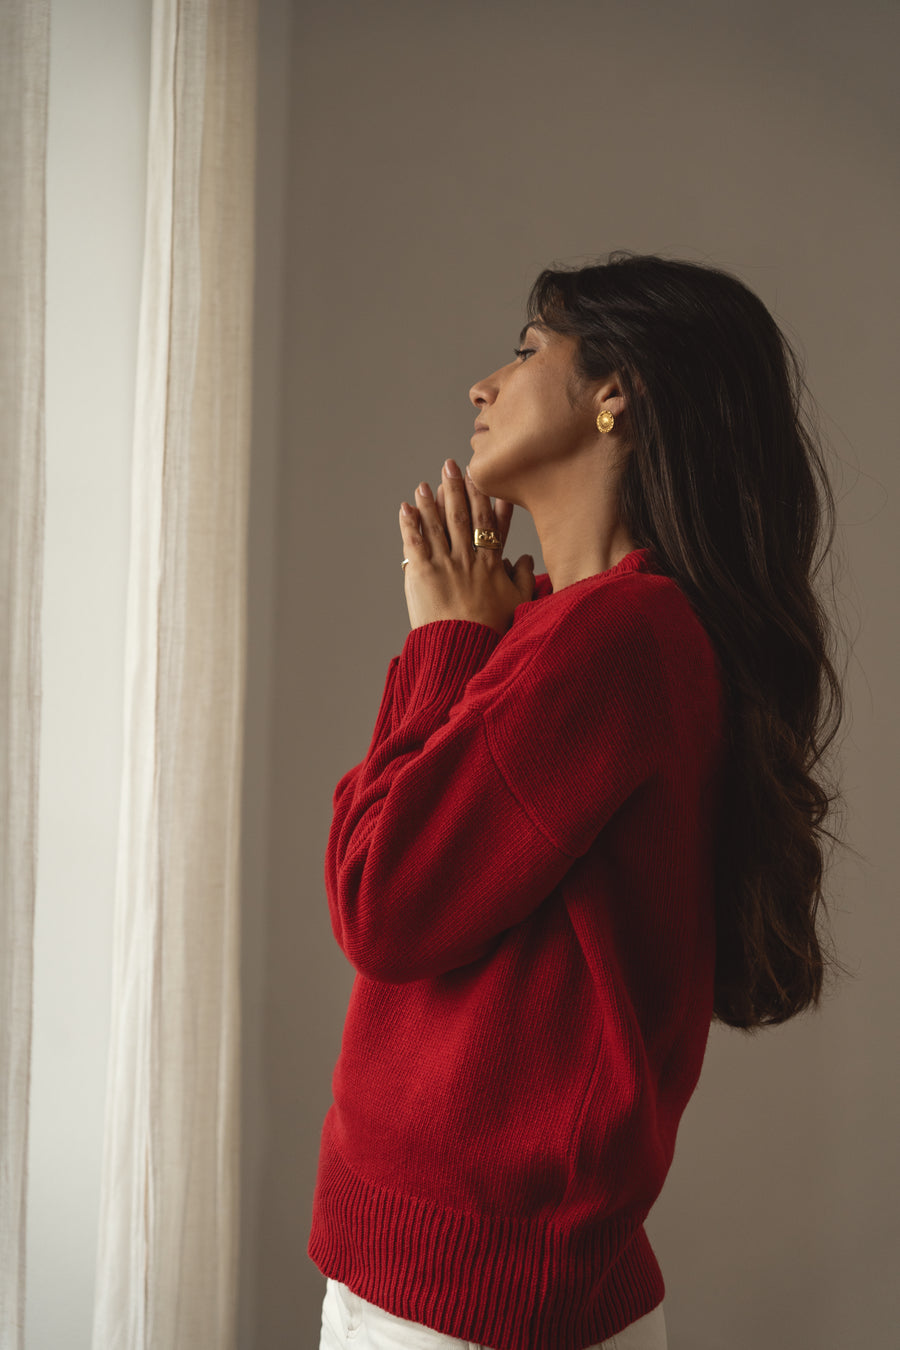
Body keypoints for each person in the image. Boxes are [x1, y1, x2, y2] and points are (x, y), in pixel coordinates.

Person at [309, 251, 850, 1350]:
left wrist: (446, 640)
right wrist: (476, 640)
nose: (483, 386)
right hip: (436, 1282)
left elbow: (380, 898)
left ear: (618, 393)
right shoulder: (568, 629)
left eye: (523, 352)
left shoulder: (618, 640)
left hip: (474, 1300)